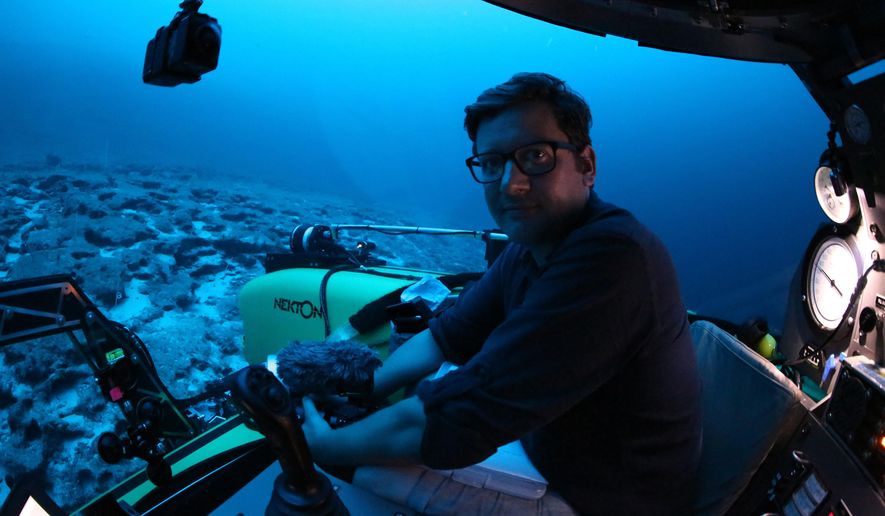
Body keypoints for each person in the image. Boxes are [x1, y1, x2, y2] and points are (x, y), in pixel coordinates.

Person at [302, 72, 702, 515]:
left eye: (536, 155)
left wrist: (327, 446)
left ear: (586, 165)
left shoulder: (614, 258)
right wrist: (369, 390)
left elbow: (462, 420)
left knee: (351, 470)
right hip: (550, 450)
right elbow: (445, 336)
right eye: (492, 162)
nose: (511, 183)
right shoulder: (531, 246)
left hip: (603, 498)